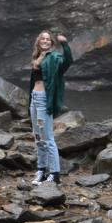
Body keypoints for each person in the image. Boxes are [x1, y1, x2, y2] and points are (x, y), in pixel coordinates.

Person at [28, 30, 73, 185]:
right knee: (38, 138)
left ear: (51, 43)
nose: (45, 41)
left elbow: (68, 61)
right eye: (43, 38)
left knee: (48, 138)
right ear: (39, 41)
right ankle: (41, 170)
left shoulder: (54, 57)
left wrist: (65, 44)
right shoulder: (36, 57)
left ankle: (54, 174)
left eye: (48, 39)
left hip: (43, 100)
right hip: (34, 99)